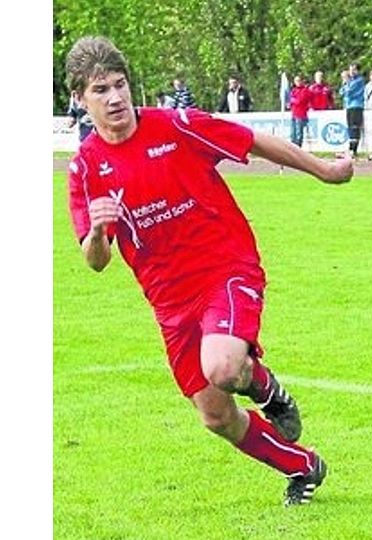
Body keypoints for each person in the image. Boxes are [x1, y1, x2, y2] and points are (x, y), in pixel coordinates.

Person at [64, 36, 353, 507]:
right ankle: (304, 466)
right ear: (79, 98)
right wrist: (98, 233)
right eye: (101, 90)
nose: (116, 98)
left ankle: (260, 382)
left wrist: (323, 170)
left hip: (226, 268)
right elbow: (95, 261)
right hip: (170, 301)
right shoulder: (84, 168)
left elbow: (253, 140)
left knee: (220, 367)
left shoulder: (176, 126)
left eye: (120, 85)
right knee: (216, 416)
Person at [339, 63, 365, 156]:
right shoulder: (349, 81)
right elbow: (341, 92)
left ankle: (354, 149)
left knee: (355, 127)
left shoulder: (359, 80)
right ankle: (351, 148)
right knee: (350, 127)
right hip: (349, 106)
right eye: (350, 70)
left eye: (354, 70)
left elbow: (349, 92)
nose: (352, 72)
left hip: (356, 106)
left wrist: (346, 83)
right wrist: (345, 84)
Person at [288, 74, 311, 147]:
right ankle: (293, 147)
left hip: (301, 114)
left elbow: (299, 101)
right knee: (292, 133)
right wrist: (291, 101)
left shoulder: (305, 90)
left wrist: (292, 100)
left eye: (298, 80)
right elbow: (290, 101)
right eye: (296, 81)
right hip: (294, 114)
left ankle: (298, 147)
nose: (297, 82)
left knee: (299, 133)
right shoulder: (294, 90)